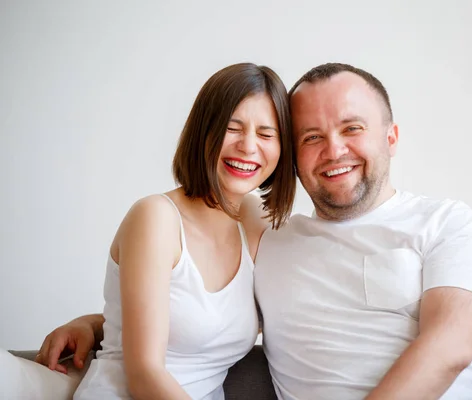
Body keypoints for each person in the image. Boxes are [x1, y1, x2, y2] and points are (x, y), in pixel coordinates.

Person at [33, 63, 472, 399]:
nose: (334, 150)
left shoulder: (444, 222)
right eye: (312, 136)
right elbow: (162, 340)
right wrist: (96, 326)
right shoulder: (223, 229)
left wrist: (462, 340)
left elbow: (449, 348)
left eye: (352, 128)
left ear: (390, 138)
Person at [2, 62, 297, 400]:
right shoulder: (156, 217)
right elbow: (145, 373)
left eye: (266, 134)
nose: (248, 146)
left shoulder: (256, 223)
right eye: (233, 128)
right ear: (204, 131)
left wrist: (94, 323)